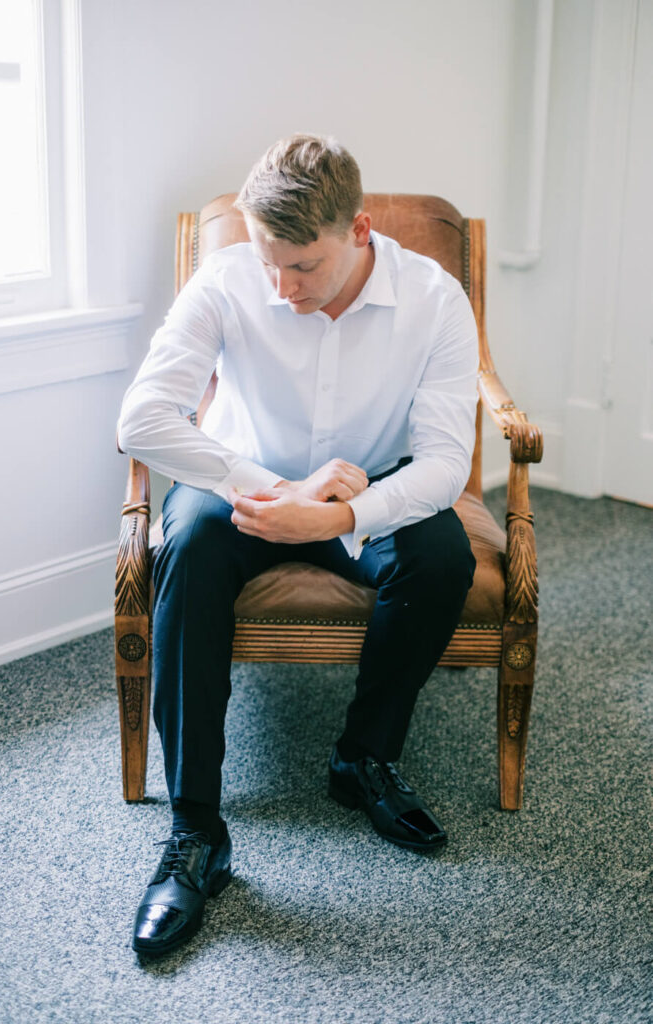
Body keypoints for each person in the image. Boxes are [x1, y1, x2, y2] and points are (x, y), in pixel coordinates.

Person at [117, 134, 478, 959]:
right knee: (191, 546)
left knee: (442, 556)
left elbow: (445, 462)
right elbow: (141, 419)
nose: (281, 288)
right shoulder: (229, 279)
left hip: (364, 492)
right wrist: (275, 490)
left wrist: (339, 518)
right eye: (268, 260)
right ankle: (196, 831)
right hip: (242, 482)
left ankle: (364, 759)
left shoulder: (434, 298)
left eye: (303, 266)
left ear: (358, 231)